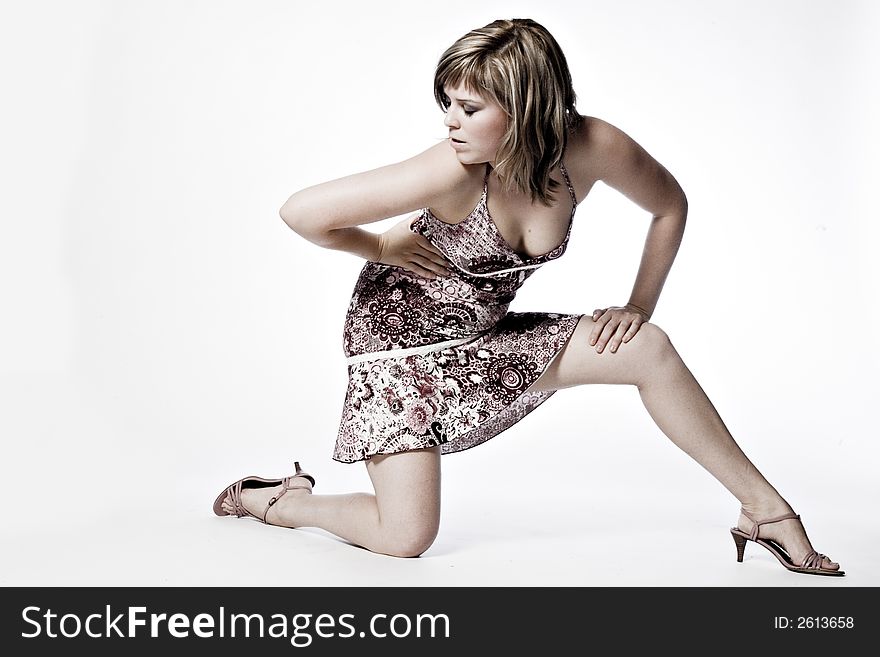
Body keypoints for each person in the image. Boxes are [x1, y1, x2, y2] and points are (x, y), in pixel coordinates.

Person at [213, 18, 843, 575]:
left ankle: (766, 511)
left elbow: (669, 206)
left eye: (469, 108)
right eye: (448, 104)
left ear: (526, 107)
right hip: (397, 346)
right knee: (404, 538)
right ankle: (278, 501)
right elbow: (301, 212)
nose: (450, 122)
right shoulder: (452, 167)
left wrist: (638, 306)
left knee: (646, 349)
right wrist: (378, 249)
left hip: (484, 331)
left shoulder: (593, 146)